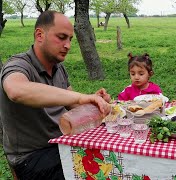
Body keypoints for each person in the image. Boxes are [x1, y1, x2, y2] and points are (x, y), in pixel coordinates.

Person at [0, 11, 111, 179]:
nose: (67, 45)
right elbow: (16, 90)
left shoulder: (58, 67)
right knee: (98, 173)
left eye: (70, 39)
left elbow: (72, 102)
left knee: (111, 158)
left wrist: (93, 101)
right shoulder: (18, 65)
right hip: (32, 156)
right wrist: (81, 98)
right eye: (61, 37)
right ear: (39, 35)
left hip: (61, 145)